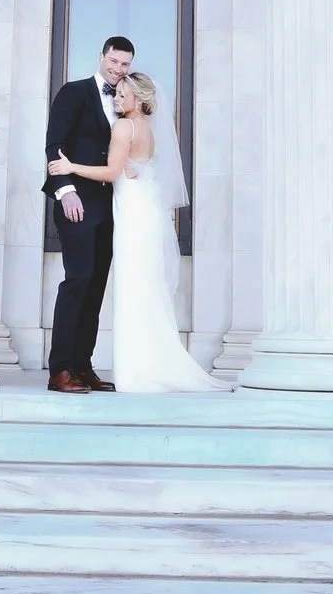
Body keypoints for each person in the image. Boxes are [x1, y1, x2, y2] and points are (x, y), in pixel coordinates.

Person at [48, 71, 228, 394]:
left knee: (131, 288)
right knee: (144, 286)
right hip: (141, 209)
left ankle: (133, 370)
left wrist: (71, 167)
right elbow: (134, 165)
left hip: (129, 214)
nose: (117, 98)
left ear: (139, 98)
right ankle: (145, 364)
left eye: (122, 94)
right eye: (115, 94)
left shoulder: (123, 126)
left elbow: (112, 170)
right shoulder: (146, 129)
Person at [43, 37, 132, 393]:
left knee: (96, 289)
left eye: (125, 64)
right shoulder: (74, 92)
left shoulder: (125, 103)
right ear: (101, 56)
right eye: (114, 61)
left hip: (110, 209)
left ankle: (83, 366)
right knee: (77, 281)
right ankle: (60, 369)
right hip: (77, 203)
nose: (118, 69)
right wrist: (66, 192)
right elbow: (54, 145)